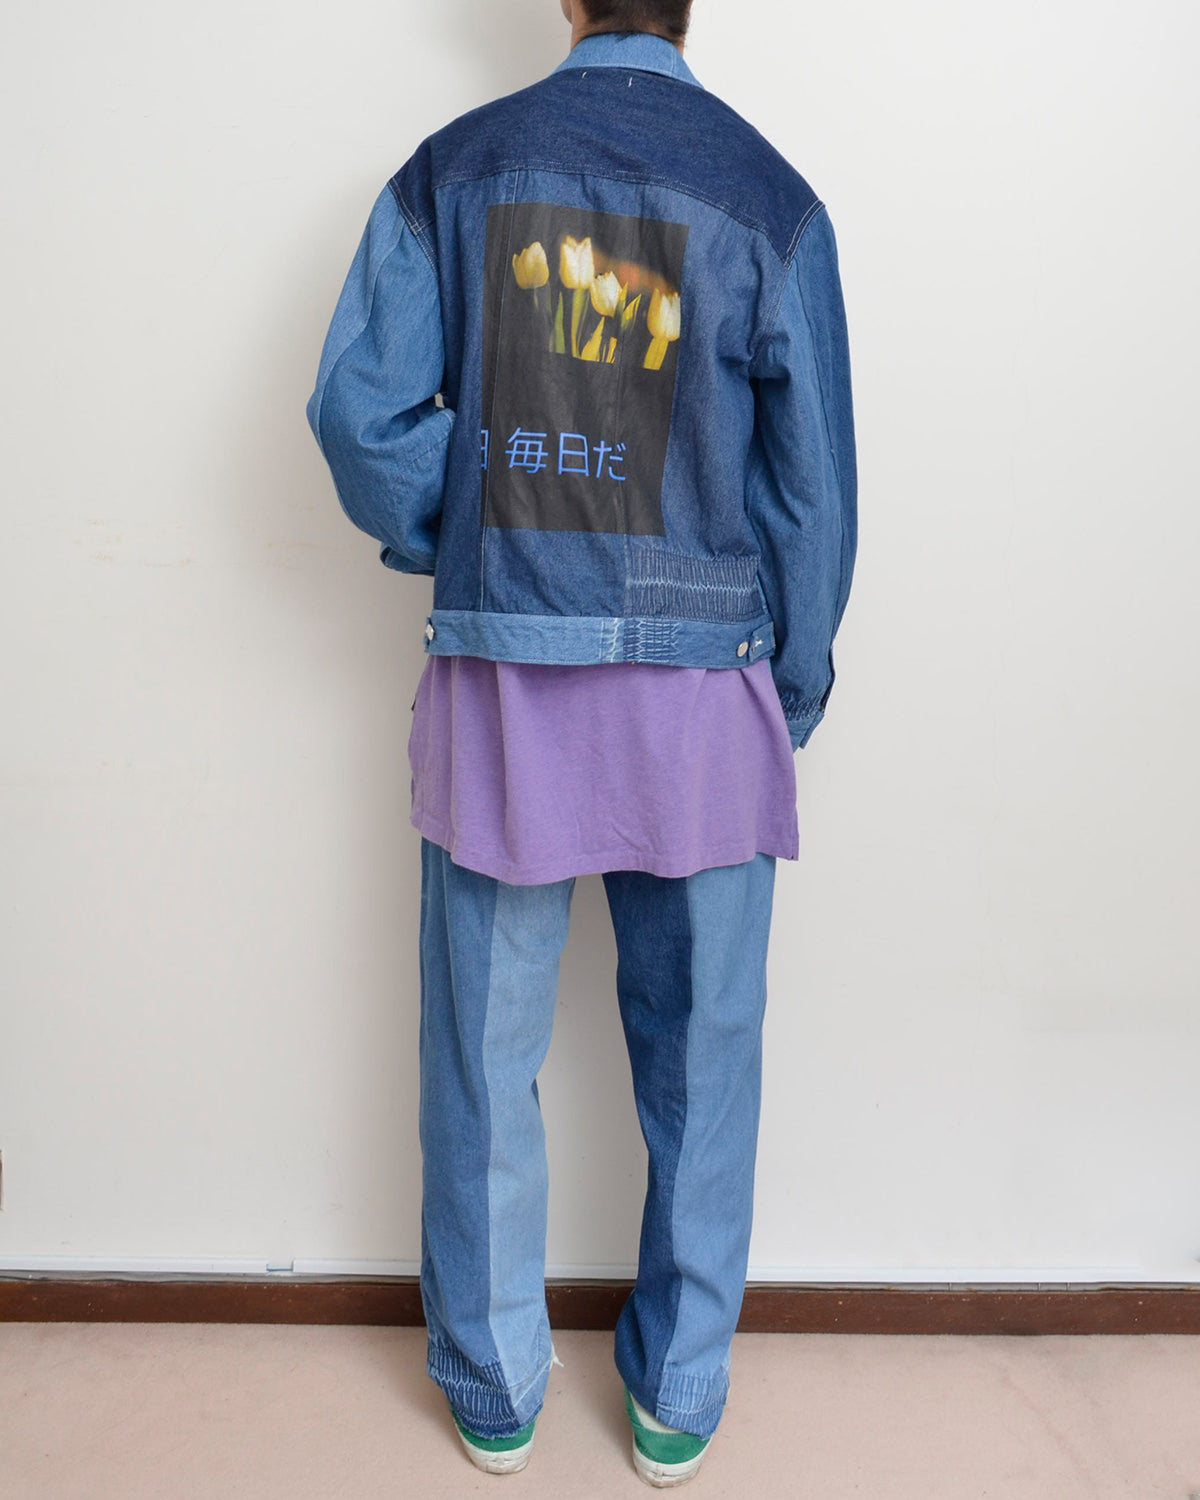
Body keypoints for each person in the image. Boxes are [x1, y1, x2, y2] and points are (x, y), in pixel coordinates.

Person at [305, 0, 857, 1484]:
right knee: (706, 1053)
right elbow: (812, 492)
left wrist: (479, 523)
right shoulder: (772, 199)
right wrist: (794, 687)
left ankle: (493, 1387)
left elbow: (358, 415)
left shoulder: (452, 170)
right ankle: (680, 1392)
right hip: (706, 686)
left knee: (484, 1053)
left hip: (508, 674)